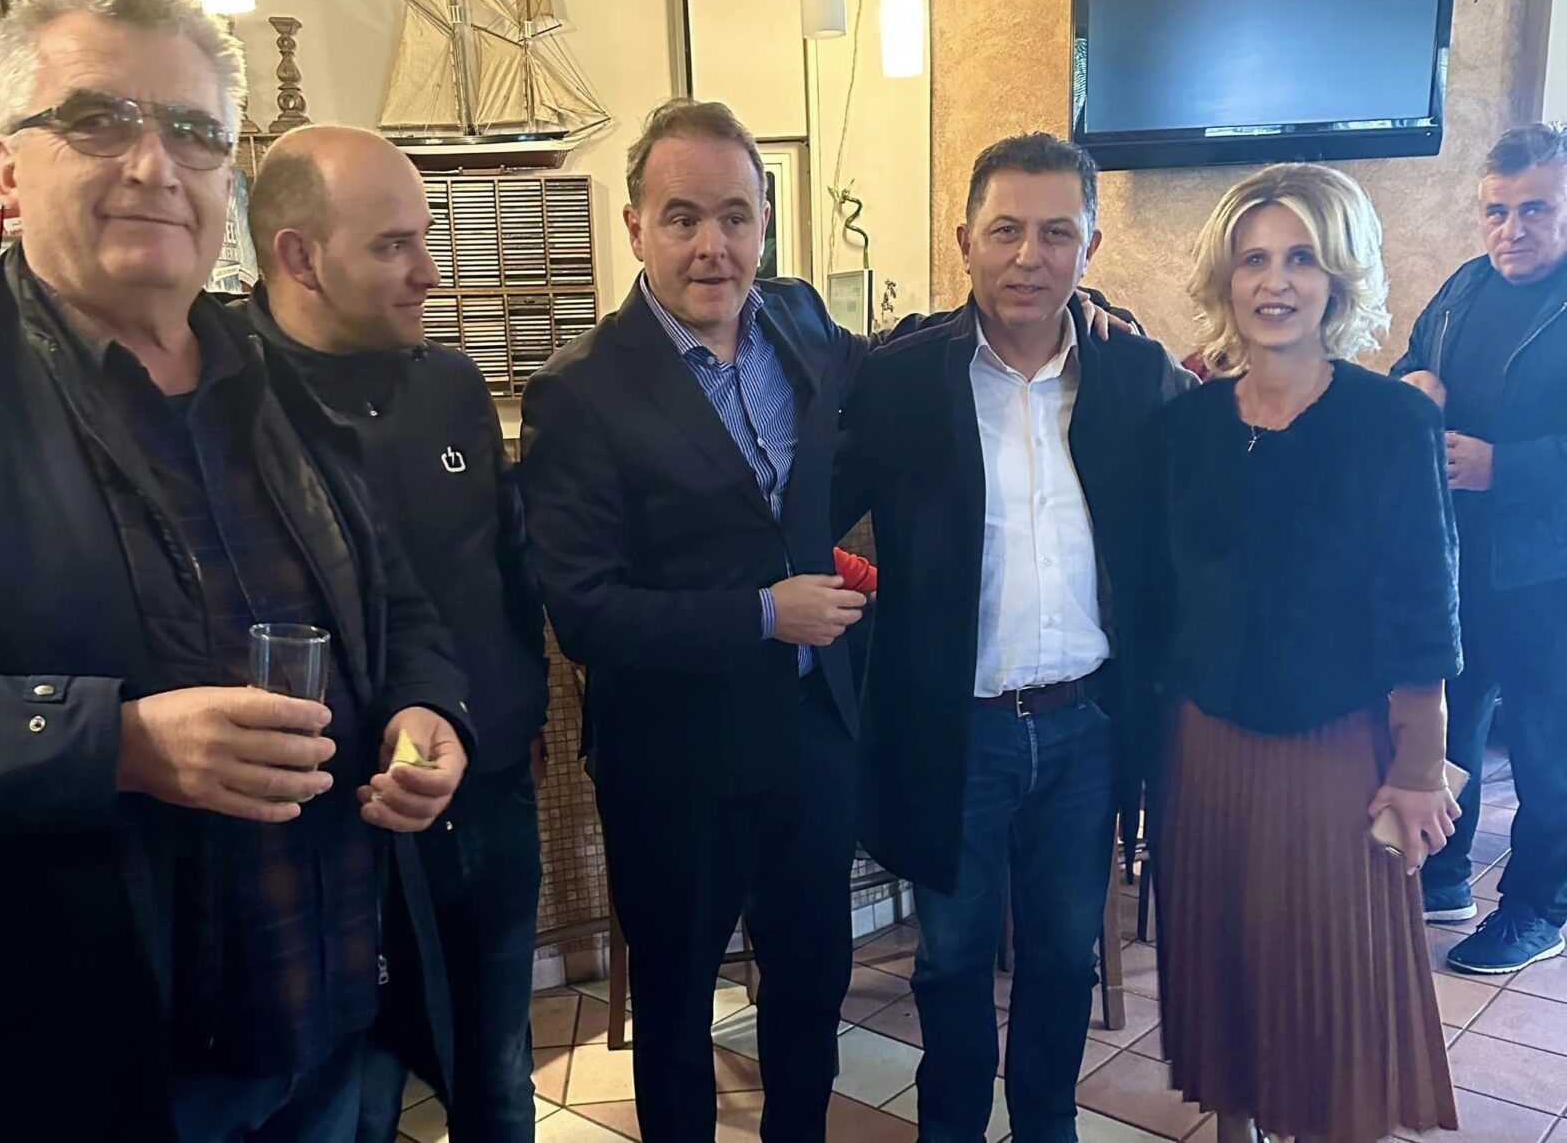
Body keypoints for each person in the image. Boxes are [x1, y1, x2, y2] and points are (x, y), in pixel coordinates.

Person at [0, 0, 471, 1140]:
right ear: (5, 170)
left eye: (193, 133)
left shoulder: (285, 384)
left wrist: (426, 711)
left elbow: (398, 605)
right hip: (92, 1064)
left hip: (333, 1022)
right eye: (99, 119)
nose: (155, 165)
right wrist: (115, 743)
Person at [519, 97, 871, 1143]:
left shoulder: (801, 323)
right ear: (635, 225)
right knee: (674, 1016)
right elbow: (587, 613)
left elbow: (901, 368)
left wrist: (1066, 315)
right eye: (682, 217)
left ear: (764, 222)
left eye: (734, 216)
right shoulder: (578, 391)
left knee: (811, 989)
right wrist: (763, 614)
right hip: (674, 766)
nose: (711, 244)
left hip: (811, 744)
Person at [835, 133, 1193, 1143]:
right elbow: (810, 507)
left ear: (1090, 247)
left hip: (1085, 728)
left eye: (1055, 233)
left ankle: (1046, 1124)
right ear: (965, 241)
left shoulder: (1134, 374)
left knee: (1063, 956)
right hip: (958, 731)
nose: (1029, 256)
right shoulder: (902, 379)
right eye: (1005, 231)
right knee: (949, 956)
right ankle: (949, 1128)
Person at [242, 125, 551, 1141]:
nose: (429, 272)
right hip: (326, 836)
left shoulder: (451, 385)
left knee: (496, 1078)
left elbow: (505, 572)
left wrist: (514, 723)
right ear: (299, 258)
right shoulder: (231, 405)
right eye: (392, 246)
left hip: (487, 798)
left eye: (425, 238)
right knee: (349, 1102)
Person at [1153, 163, 1461, 1143]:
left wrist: (1418, 766)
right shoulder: (1185, 424)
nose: (1274, 282)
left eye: (1300, 258)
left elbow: (1423, 606)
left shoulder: (1391, 420)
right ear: (1225, 277)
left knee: (1331, 980)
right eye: (1253, 259)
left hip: (1336, 746)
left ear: (1338, 275)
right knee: (1224, 961)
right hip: (1206, 744)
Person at [1391, 123, 1567, 975]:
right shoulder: (1463, 287)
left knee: (1547, 752)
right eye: (1497, 211)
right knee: (1448, 728)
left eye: (1535, 209)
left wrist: (1508, 468)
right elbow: (1407, 365)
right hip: (1456, 560)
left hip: (1548, 576)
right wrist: (1411, 385)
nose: (1512, 230)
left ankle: (1538, 909)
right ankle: (1444, 877)